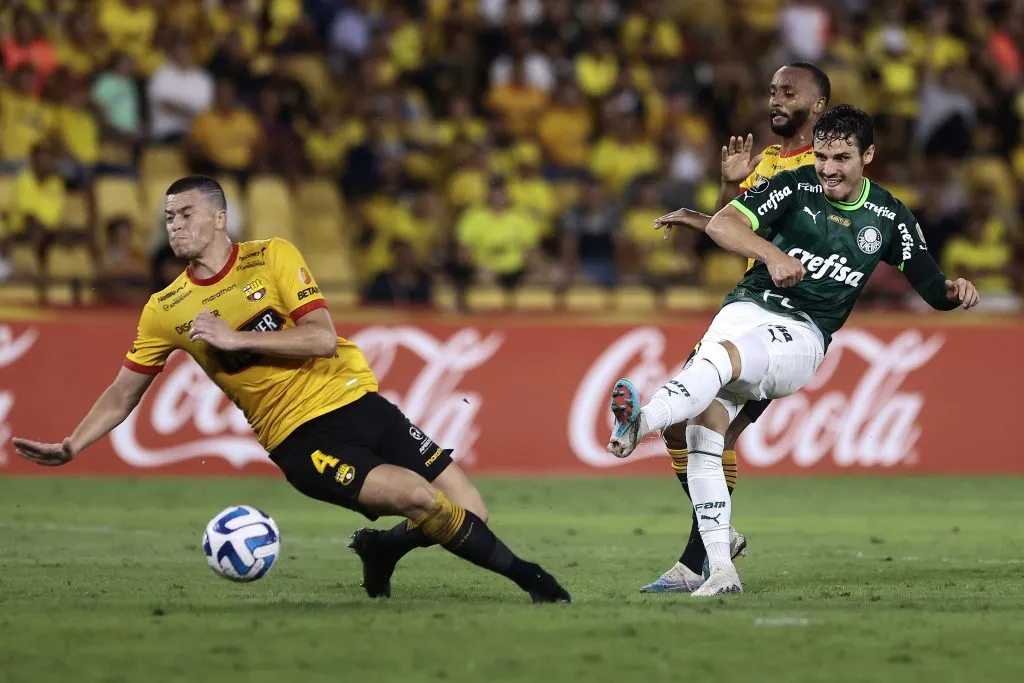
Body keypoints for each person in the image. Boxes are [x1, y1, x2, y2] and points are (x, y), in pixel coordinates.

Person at [11, 175, 571, 605]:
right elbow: (122, 392)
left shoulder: (272, 255)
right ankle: (532, 579)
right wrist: (73, 444)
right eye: (167, 218)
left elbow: (322, 338)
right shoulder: (165, 309)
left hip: (362, 404)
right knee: (422, 499)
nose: (173, 226)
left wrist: (230, 337)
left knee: (473, 509)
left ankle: (382, 548)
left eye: (185, 214)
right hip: (302, 438)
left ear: (220, 217)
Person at [607, 105, 979, 597]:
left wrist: (956, 293)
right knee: (703, 433)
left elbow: (932, 289)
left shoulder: (889, 217)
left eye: (841, 158)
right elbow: (723, 226)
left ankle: (641, 421)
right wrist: (773, 254)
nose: (828, 168)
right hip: (747, 307)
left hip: (802, 334)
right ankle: (720, 570)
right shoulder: (796, 185)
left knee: (719, 360)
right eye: (822, 155)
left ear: (867, 155)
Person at [640, 62, 832, 593]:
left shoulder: (825, 170)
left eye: (789, 92)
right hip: (745, 308)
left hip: (782, 324)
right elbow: (731, 231)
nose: (776, 99)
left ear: (818, 107)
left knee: (705, 431)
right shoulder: (768, 161)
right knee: (683, 429)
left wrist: (704, 219)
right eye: (772, 89)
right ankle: (715, 544)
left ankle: (700, 558)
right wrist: (726, 190)